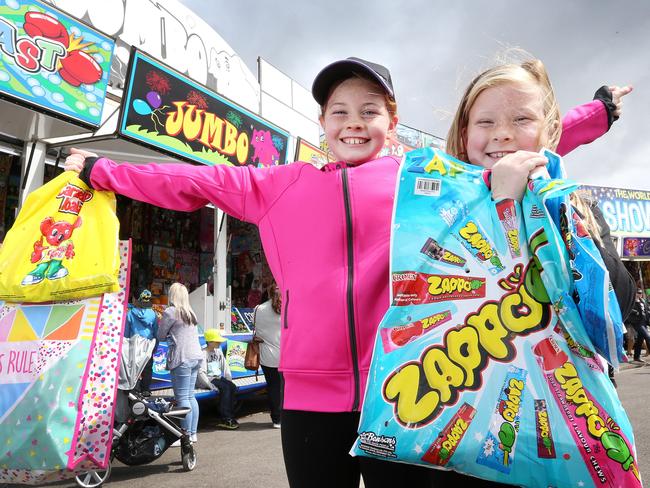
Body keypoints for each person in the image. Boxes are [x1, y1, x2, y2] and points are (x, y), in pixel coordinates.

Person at [64, 56, 622, 488]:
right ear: (322, 121)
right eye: (340, 112)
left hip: (412, 389)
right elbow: (189, 183)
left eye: (369, 111)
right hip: (311, 398)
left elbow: (513, 140)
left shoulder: (422, 181)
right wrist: (100, 168)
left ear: (392, 121)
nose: (354, 124)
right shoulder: (277, 185)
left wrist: (595, 114)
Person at [158, 282, 202, 444]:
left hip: (182, 358)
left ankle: (185, 436)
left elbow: (160, 335)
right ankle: (192, 433)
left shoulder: (170, 312)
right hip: (196, 356)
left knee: (182, 398)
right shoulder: (191, 313)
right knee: (191, 396)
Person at [196, 329, 240, 429]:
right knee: (225, 388)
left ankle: (229, 414)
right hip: (207, 380)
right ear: (210, 342)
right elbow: (201, 372)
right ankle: (226, 418)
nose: (219, 343)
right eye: (217, 341)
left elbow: (225, 366)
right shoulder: (203, 353)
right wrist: (209, 385)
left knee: (232, 387)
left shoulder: (218, 351)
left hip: (217, 378)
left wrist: (229, 379)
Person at [253, 284, 283, 428]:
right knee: (284, 387)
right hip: (284, 354)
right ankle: (284, 416)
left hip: (266, 354)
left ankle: (276, 419)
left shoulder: (258, 309)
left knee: (272, 387)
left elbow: (257, 332)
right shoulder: (286, 309)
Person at [125, 288, 159, 395]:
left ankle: (133, 389)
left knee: (133, 368)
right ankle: (145, 390)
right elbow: (156, 332)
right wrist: (155, 346)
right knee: (147, 368)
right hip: (148, 345)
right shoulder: (153, 314)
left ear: (135, 300)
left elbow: (126, 334)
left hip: (134, 345)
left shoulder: (129, 314)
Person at [628, 288, 650, 364]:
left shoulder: (642, 301)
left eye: (640, 293)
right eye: (638, 292)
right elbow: (628, 309)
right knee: (648, 337)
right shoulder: (631, 301)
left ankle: (636, 357)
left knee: (640, 340)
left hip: (644, 322)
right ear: (634, 293)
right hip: (637, 323)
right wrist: (636, 312)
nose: (639, 294)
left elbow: (646, 310)